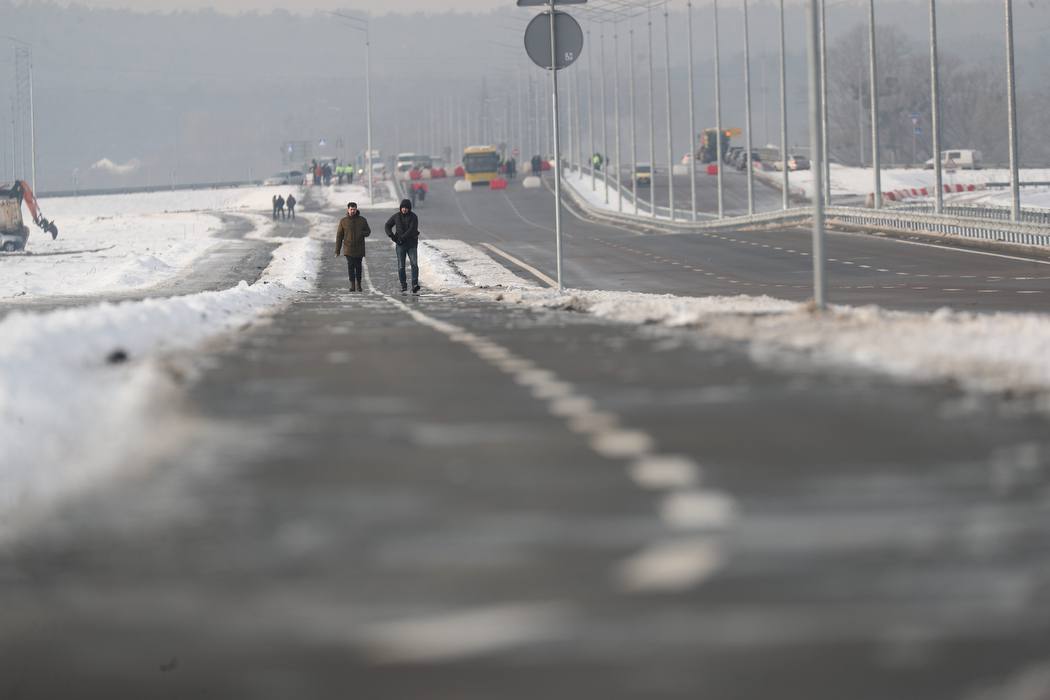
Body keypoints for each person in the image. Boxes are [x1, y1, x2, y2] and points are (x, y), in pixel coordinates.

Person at [384, 198, 420, 294]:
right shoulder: (396, 216)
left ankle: (415, 284)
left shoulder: (413, 217)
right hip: (400, 245)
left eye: (406, 208)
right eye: (402, 207)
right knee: (401, 266)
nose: (404, 209)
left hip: (411, 244)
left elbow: (412, 229)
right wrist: (392, 236)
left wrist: (401, 238)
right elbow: (387, 225)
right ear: (400, 208)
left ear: (409, 208)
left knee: (414, 264)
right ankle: (403, 285)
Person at [336, 201, 370, 292]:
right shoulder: (343, 221)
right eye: (351, 209)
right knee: (351, 266)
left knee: (358, 266)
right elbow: (339, 236)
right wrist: (337, 250)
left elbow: (368, 231)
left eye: (354, 209)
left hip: (359, 248)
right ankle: (352, 285)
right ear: (348, 210)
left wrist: (362, 233)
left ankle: (359, 285)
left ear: (356, 209)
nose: (353, 211)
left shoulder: (362, 220)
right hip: (348, 248)